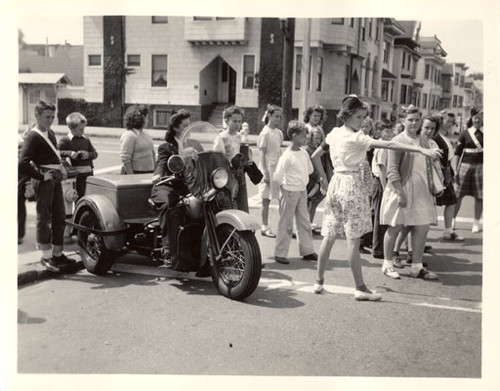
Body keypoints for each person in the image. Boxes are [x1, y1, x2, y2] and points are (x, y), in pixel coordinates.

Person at [310, 96, 440, 300]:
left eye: (363, 117)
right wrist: (420, 149)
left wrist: (324, 178)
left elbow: (316, 155)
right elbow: (390, 145)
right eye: (359, 117)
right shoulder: (357, 137)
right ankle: (360, 288)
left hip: (336, 183)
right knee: (353, 240)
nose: (362, 121)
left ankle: (318, 282)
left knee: (330, 235)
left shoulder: (334, 133)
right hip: (351, 185)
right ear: (347, 116)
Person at [380, 107, 442, 281]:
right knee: (396, 226)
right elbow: (391, 171)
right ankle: (387, 263)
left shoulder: (425, 141)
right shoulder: (397, 141)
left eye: (416, 120)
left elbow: (429, 167)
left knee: (422, 228)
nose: (414, 123)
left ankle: (417, 266)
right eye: (410, 120)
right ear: (403, 121)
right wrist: (400, 193)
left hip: (422, 190)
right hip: (402, 188)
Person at [18, 101, 76, 272]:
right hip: (44, 180)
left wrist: (62, 169)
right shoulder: (33, 136)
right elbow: (23, 163)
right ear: (36, 115)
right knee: (44, 217)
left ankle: (57, 254)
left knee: (60, 215)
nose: (51, 120)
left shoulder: (50, 133)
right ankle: (46, 256)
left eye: (53, 116)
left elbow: (54, 156)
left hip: (55, 179)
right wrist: (41, 176)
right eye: (47, 117)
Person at [273, 121, 317, 264]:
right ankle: (280, 253)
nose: (306, 139)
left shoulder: (304, 153)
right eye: (303, 136)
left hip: (301, 192)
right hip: (289, 192)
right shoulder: (287, 156)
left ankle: (307, 250)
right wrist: (281, 192)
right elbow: (277, 176)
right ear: (294, 136)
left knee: (304, 221)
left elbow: (309, 170)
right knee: (286, 223)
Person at [151, 109, 191, 259]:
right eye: (185, 126)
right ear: (175, 128)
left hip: (186, 186)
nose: (188, 129)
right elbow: (161, 163)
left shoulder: (193, 144)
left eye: (190, 125)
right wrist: (158, 175)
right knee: (169, 204)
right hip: (166, 185)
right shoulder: (166, 147)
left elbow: (205, 159)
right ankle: (167, 248)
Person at [433, 111, 464, 241]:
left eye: (452, 122)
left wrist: (453, 172)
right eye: (448, 121)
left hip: (446, 173)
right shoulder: (436, 136)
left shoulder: (445, 136)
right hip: (438, 173)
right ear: (441, 120)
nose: (450, 124)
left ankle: (448, 230)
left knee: (451, 201)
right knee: (431, 204)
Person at [453, 107, 483, 233]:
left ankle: (476, 222)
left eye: (480, 117)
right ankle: (452, 219)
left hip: (481, 167)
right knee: (458, 195)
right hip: (465, 166)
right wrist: (455, 169)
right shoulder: (465, 133)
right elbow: (457, 153)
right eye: (475, 117)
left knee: (480, 196)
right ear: (471, 118)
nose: (478, 120)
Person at [303, 104, 331, 233]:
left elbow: (323, 145)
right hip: (309, 165)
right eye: (314, 115)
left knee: (315, 199)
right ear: (308, 115)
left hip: (319, 162)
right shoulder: (306, 128)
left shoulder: (320, 128)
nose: (316, 118)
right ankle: (304, 224)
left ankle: (309, 222)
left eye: (318, 116)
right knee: (307, 198)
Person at [215, 106, 249, 212]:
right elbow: (217, 156)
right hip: (228, 174)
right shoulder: (222, 137)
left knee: (242, 201)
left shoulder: (240, 137)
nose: (237, 124)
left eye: (239, 121)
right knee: (229, 203)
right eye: (234, 121)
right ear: (226, 120)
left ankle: (244, 225)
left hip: (240, 173)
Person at [257, 104, 284, 238]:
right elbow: (261, 153)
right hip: (268, 167)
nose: (278, 119)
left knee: (281, 197)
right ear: (269, 116)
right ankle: (264, 225)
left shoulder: (279, 133)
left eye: (280, 117)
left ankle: (283, 226)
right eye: (276, 116)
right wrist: (265, 172)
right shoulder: (265, 132)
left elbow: (279, 151)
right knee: (266, 198)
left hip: (278, 167)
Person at [57, 112, 98, 199]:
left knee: (90, 197)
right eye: (80, 129)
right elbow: (58, 152)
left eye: (83, 128)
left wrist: (88, 155)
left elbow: (95, 154)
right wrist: (70, 153)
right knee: (79, 197)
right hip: (77, 175)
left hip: (89, 173)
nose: (83, 131)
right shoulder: (66, 140)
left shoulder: (86, 139)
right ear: (71, 128)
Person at [370, 124, 393, 259]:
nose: (389, 133)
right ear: (380, 133)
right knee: (380, 215)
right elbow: (382, 169)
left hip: (380, 182)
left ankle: (373, 243)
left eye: (390, 131)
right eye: (386, 131)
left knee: (377, 214)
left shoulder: (385, 146)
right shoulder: (382, 147)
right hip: (380, 182)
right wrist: (386, 188)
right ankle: (378, 248)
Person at [120, 105, 155, 174]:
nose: (148, 120)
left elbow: (152, 154)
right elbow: (125, 158)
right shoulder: (129, 135)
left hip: (149, 172)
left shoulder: (146, 134)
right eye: (147, 118)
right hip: (136, 173)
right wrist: (132, 176)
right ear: (140, 119)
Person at [304, 126, 325, 234]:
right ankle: (306, 227)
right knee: (308, 204)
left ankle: (309, 224)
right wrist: (318, 177)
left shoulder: (318, 150)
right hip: (310, 180)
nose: (318, 140)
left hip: (317, 180)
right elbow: (309, 168)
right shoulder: (307, 149)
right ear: (310, 137)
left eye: (319, 138)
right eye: (316, 138)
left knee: (314, 204)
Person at [18, 123, 35, 244]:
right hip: (22, 177)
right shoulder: (22, 142)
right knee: (19, 206)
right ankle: (18, 234)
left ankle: (19, 234)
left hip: (24, 178)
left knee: (19, 205)